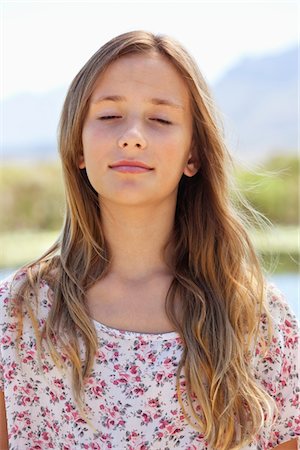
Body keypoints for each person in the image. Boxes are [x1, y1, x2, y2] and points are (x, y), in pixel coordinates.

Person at [0, 30, 298, 450]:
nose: (132, 136)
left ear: (192, 154)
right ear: (79, 147)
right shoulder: (19, 313)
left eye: (160, 120)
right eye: (108, 117)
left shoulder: (255, 317)